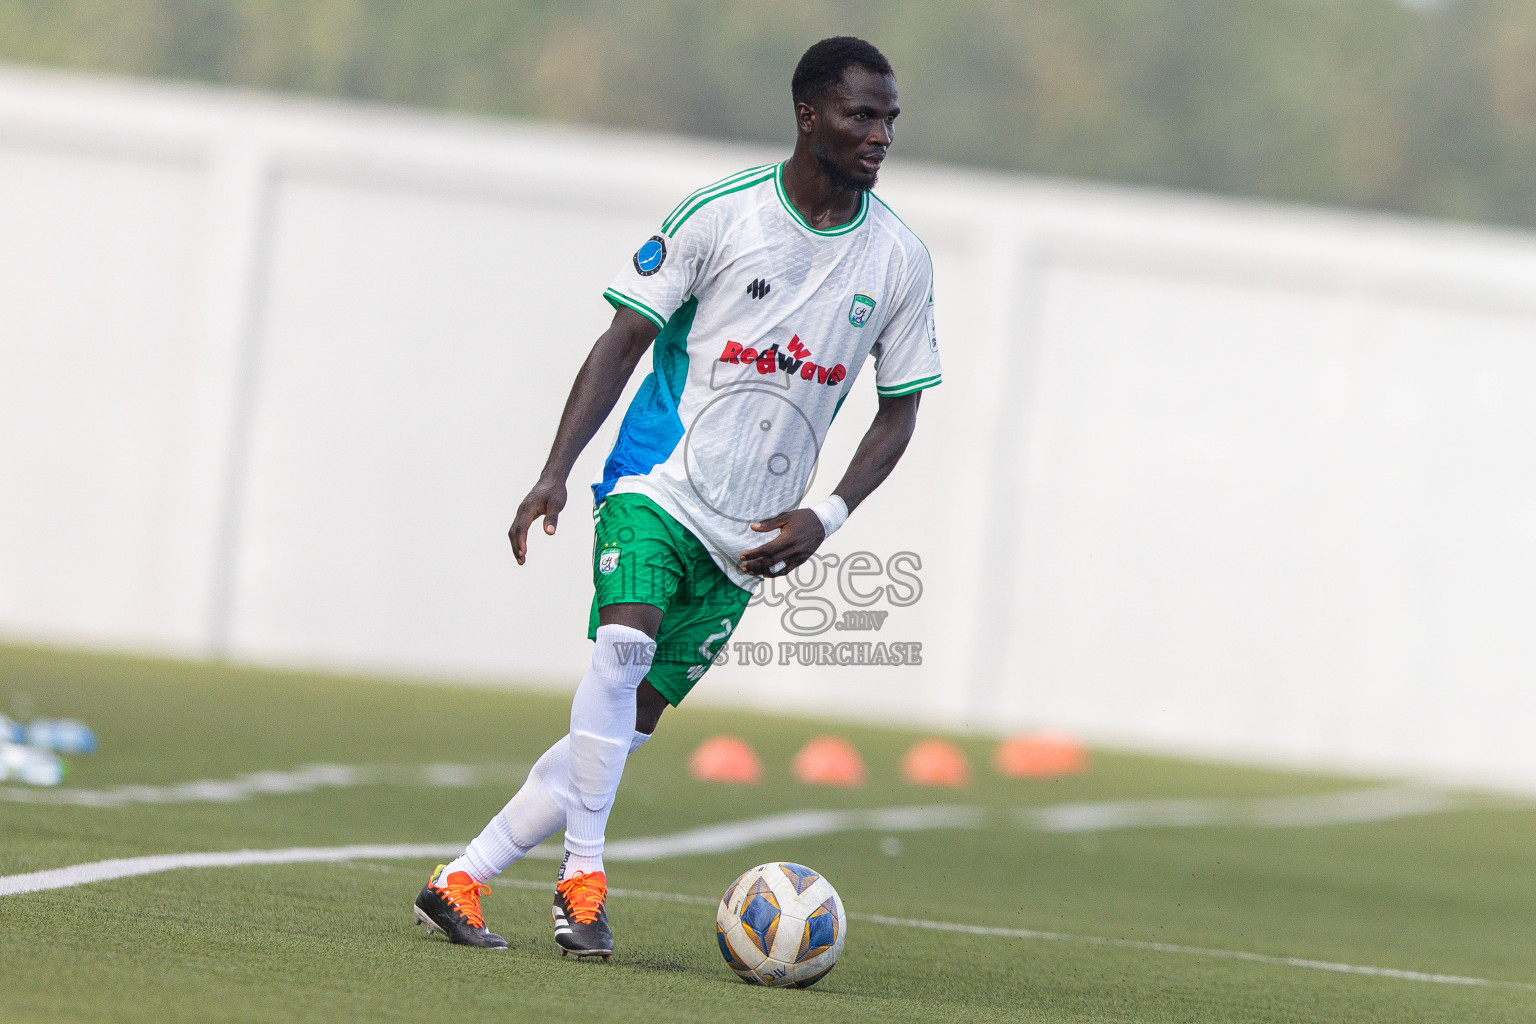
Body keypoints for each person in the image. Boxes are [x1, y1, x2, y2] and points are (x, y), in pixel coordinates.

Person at [413, 34, 941, 958]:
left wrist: (829, 515)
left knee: (621, 727)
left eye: (890, 118)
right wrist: (555, 470)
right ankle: (582, 883)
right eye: (862, 114)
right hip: (655, 481)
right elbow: (619, 343)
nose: (880, 134)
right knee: (618, 657)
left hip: (753, 534)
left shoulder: (898, 260)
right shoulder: (722, 216)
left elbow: (898, 415)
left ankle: (461, 879)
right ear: (808, 115)